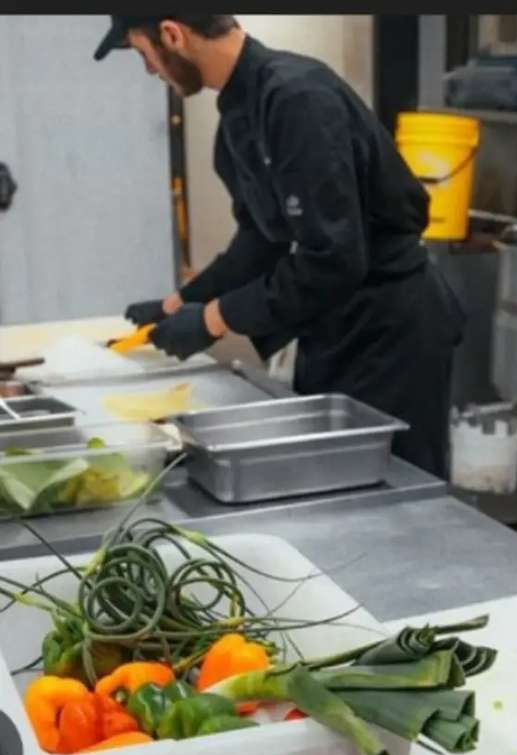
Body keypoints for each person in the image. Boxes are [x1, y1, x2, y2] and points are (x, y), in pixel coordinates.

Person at [94, 15, 464, 478]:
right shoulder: (239, 116)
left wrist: (213, 319)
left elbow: (332, 259)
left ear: (172, 35)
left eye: (144, 55)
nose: (151, 71)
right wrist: (180, 303)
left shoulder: (297, 98)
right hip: (334, 328)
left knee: (397, 496)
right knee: (335, 487)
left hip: (389, 331)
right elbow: (260, 241)